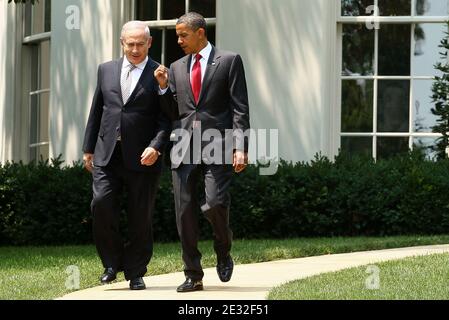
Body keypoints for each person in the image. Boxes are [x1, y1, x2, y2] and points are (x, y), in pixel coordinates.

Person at [154, 12, 250, 293]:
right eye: (177, 36)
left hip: (217, 144)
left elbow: (240, 108)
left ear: (201, 33)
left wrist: (240, 147)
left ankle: (223, 247)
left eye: (183, 35)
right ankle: (193, 274)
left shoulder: (229, 61)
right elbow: (174, 112)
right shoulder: (175, 67)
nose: (179, 40)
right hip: (183, 146)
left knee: (214, 203)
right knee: (184, 213)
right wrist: (163, 88)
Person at [82, 21, 169, 290]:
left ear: (149, 43)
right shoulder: (106, 70)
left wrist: (156, 146)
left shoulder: (160, 73)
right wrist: (88, 148)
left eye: (140, 44)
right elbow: (98, 109)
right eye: (130, 44)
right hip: (108, 154)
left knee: (139, 215)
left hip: (143, 157)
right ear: (122, 42)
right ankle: (111, 262)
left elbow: (167, 118)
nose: (134, 49)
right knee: (101, 204)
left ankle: (135, 271)